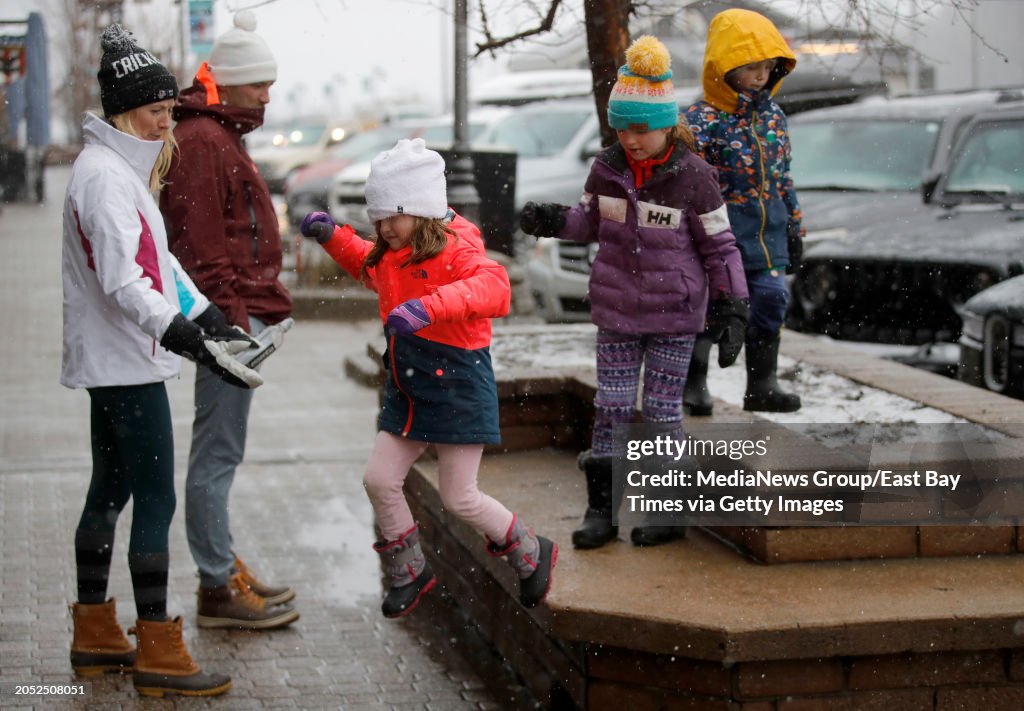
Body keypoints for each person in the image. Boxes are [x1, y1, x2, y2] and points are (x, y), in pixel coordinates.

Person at [62, 24, 263, 697]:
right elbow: (126, 282)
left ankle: (95, 632)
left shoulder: (119, 168)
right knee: (154, 496)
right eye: (155, 111)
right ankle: (158, 649)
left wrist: (207, 315)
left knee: (111, 488)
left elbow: (161, 263)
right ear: (123, 110)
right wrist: (185, 334)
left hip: (121, 359)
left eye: (168, 111)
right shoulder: (104, 177)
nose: (165, 122)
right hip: (127, 362)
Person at [299, 138, 557, 618]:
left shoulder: (458, 247)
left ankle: (529, 549)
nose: (382, 228)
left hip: (457, 382)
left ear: (420, 209)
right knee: (379, 479)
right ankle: (409, 570)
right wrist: (332, 234)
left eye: (391, 217)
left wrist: (426, 308)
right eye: (376, 220)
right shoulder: (392, 247)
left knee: (460, 497)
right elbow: (367, 265)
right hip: (409, 384)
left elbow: (494, 286)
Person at [518, 36, 749, 549]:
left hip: (675, 314)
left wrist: (733, 306)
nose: (631, 139)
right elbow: (588, 221)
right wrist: (555, 219)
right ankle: (602, 510)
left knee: (663, 411)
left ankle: (668, 513)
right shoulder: (607, 170)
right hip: (617, 311)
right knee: (613, 406)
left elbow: (720, 246)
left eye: (641, 129)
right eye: (622, 127)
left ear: (667, 124)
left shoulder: (694, 177)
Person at [160, 10, 298, 630]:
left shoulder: (215, 135)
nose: (268, 95)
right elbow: (202, 249)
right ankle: (216, 585)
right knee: (216, 455)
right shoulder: (202, 141)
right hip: (227, 330)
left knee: (221, 452)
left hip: (235, 324)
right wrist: (231, 331)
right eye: (259, 83)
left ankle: (222, 569)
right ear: (230, 82)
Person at [684, 8, 803, 415]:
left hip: (767, 235)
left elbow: (782, 176)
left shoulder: (773, 118)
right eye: (751, 67)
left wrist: (794, 227)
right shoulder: (701, 121)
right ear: (724, 68)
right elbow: (687, 185)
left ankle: (762, 383)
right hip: (716, 236)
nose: (761, 76)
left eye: (769, 67)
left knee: (770, 301)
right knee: (710, 307)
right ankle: (694, 381)